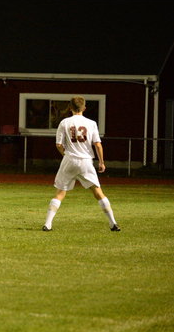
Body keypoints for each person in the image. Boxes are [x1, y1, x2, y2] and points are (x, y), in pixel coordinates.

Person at [42, 96, 120, 231]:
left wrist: (66, 155)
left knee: (60, 193)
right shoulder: (91, 123)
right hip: (86, 162)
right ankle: (113, 223)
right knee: (98, 192)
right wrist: (101, 162)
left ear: (70, 108)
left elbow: (59, 145)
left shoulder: (64, 122)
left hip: (69, 160)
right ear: (84, 108)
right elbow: (98, 144)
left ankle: (47, 224)